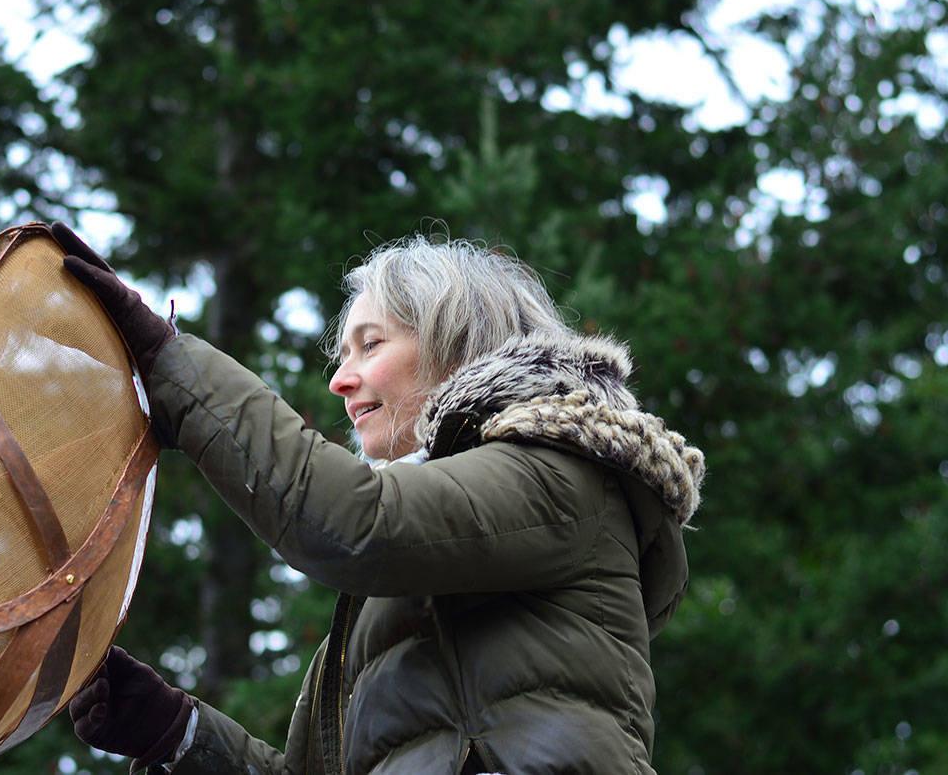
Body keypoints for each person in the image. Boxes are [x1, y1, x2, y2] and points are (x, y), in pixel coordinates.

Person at [53, 224, 704, 775]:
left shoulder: (560, 476)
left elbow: (356, 523)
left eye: (372, 342)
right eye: (343, 353)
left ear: (460, 346)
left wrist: (173, 366)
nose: (340, 379)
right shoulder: (380, 601)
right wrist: (174, 731)